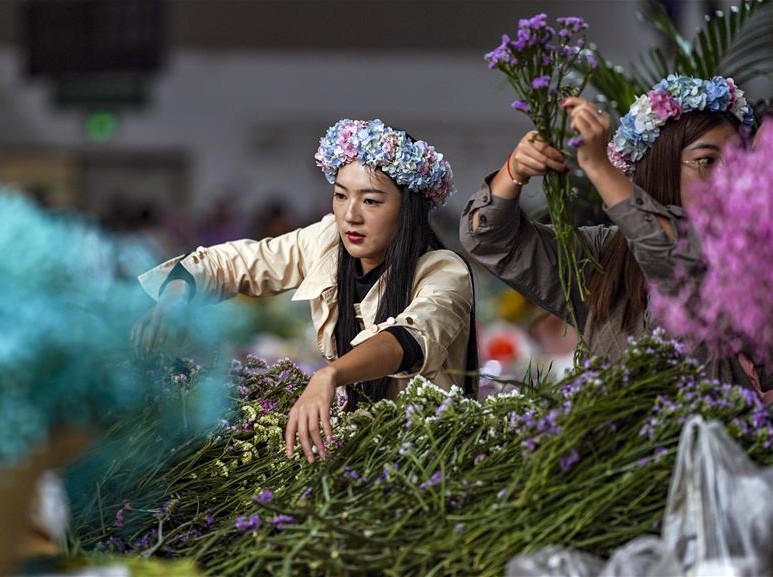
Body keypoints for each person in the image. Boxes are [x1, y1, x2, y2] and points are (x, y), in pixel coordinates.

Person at [133, 119, 477, 463]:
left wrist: (331, 374)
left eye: (371, 201)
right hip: (357, 449)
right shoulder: (327, 242)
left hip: (430, 457)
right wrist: (174, 298)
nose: (350, 215)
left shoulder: (444, 271)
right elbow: (234, 263)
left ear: (408, 208)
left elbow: (410, 338)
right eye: (340, 196)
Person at [460, 74, 769, 395]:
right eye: (708, 161)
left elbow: (673, 256)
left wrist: (599, 166)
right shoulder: (605, 253)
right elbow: (489, 239)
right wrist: (514, 171)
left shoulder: (752, 260)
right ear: (657, 168)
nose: (729, 178)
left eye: (737, 162)